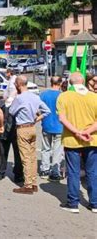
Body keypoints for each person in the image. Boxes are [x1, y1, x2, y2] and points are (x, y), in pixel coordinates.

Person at [57, 72, 97, 213]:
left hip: (71, 139)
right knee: (92, 172)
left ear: (70, 82)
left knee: (73, 172)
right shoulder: (94, 97)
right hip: (92, 139)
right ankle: (94, 203)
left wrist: (76, 132)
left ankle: (73, 203)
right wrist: (87, 132)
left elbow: (62, 118)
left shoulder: (64, 96)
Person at [9, 75, 50, 194]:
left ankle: (27, 185)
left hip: (22, 128)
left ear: (18, 84)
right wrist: (37, 119)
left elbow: (12, 111)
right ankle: (33, 182)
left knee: (25, 157)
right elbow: (47, 111)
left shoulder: (19, 98)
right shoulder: (35, 97)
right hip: (32, 127)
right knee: (32, 157)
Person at [39, 76, 64, 181]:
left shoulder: (43, 94)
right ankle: (55, 171)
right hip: (59, 126)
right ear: (60, 83)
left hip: (46, 124)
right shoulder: (62, 96)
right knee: (57, 150)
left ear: (50, 82)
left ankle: (45, 170)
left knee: (46, 148)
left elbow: (38, 108)